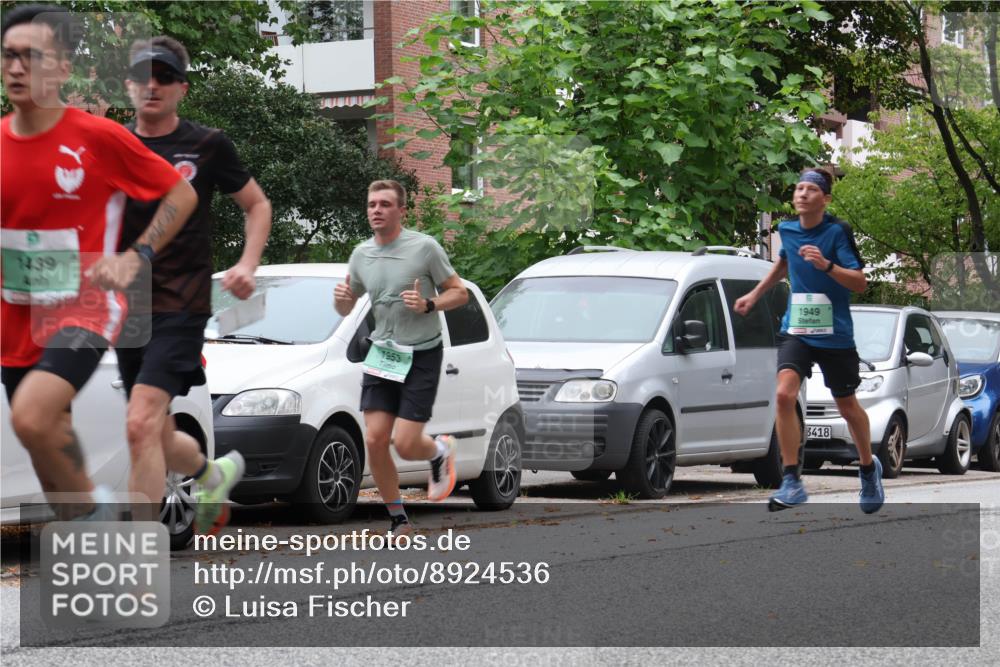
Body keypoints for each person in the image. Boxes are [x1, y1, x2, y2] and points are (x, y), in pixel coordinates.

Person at [0, 5, 197, 519]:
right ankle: (94, 532)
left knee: (32, 418)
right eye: (9, 57)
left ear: (63, 68)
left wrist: (138, 254)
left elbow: (179, 194)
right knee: (50, 455)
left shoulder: (97, 137)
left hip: (83, 306)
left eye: (32, 57)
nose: (17, 68)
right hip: (15, 316)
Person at [117, 36, 272, 534]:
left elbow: (257, 204)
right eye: (143, 76)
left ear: (182, 87)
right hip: (127, 308)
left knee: (139, 424)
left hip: (182, 305)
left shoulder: (206, 145)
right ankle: (212, 472)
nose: (152, 85)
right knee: (156, 435)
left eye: (164, 76)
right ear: (128, 84)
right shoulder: (112, 145)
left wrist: (246, 263)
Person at [734, 167, 885, 514]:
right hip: (798, 329)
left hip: (835, 335)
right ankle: (792, 480)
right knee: (784, 395)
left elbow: (860, 282)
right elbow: (783, 263)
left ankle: (867, 467)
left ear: (825, 199)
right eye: (798, 188)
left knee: (847, 407)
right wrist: (755, 294)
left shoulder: (836, 232)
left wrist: (827, 266)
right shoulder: (786, 230)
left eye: (811, 189)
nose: (802, 193)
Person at [334, 180, 468, 539]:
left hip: (422, 352)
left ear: (401, 211)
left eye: (384, 204)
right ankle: (398, 519)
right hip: (382, 353)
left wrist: (429, 304)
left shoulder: (424, 248)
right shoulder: (361, 254)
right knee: (375, 440)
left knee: (407, 444)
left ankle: (440, 450)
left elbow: (459, 292)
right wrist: (343, 298)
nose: (375, 210)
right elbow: (346, 308)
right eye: (371, 204)